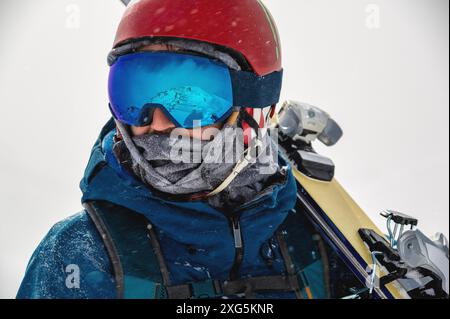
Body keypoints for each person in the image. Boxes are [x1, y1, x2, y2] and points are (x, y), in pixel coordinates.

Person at [17, 0, 330, 299]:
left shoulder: (318, 244)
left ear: (253, 107)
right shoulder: (81, 256)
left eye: (190, 97)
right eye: (135, 93)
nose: (158, 122)